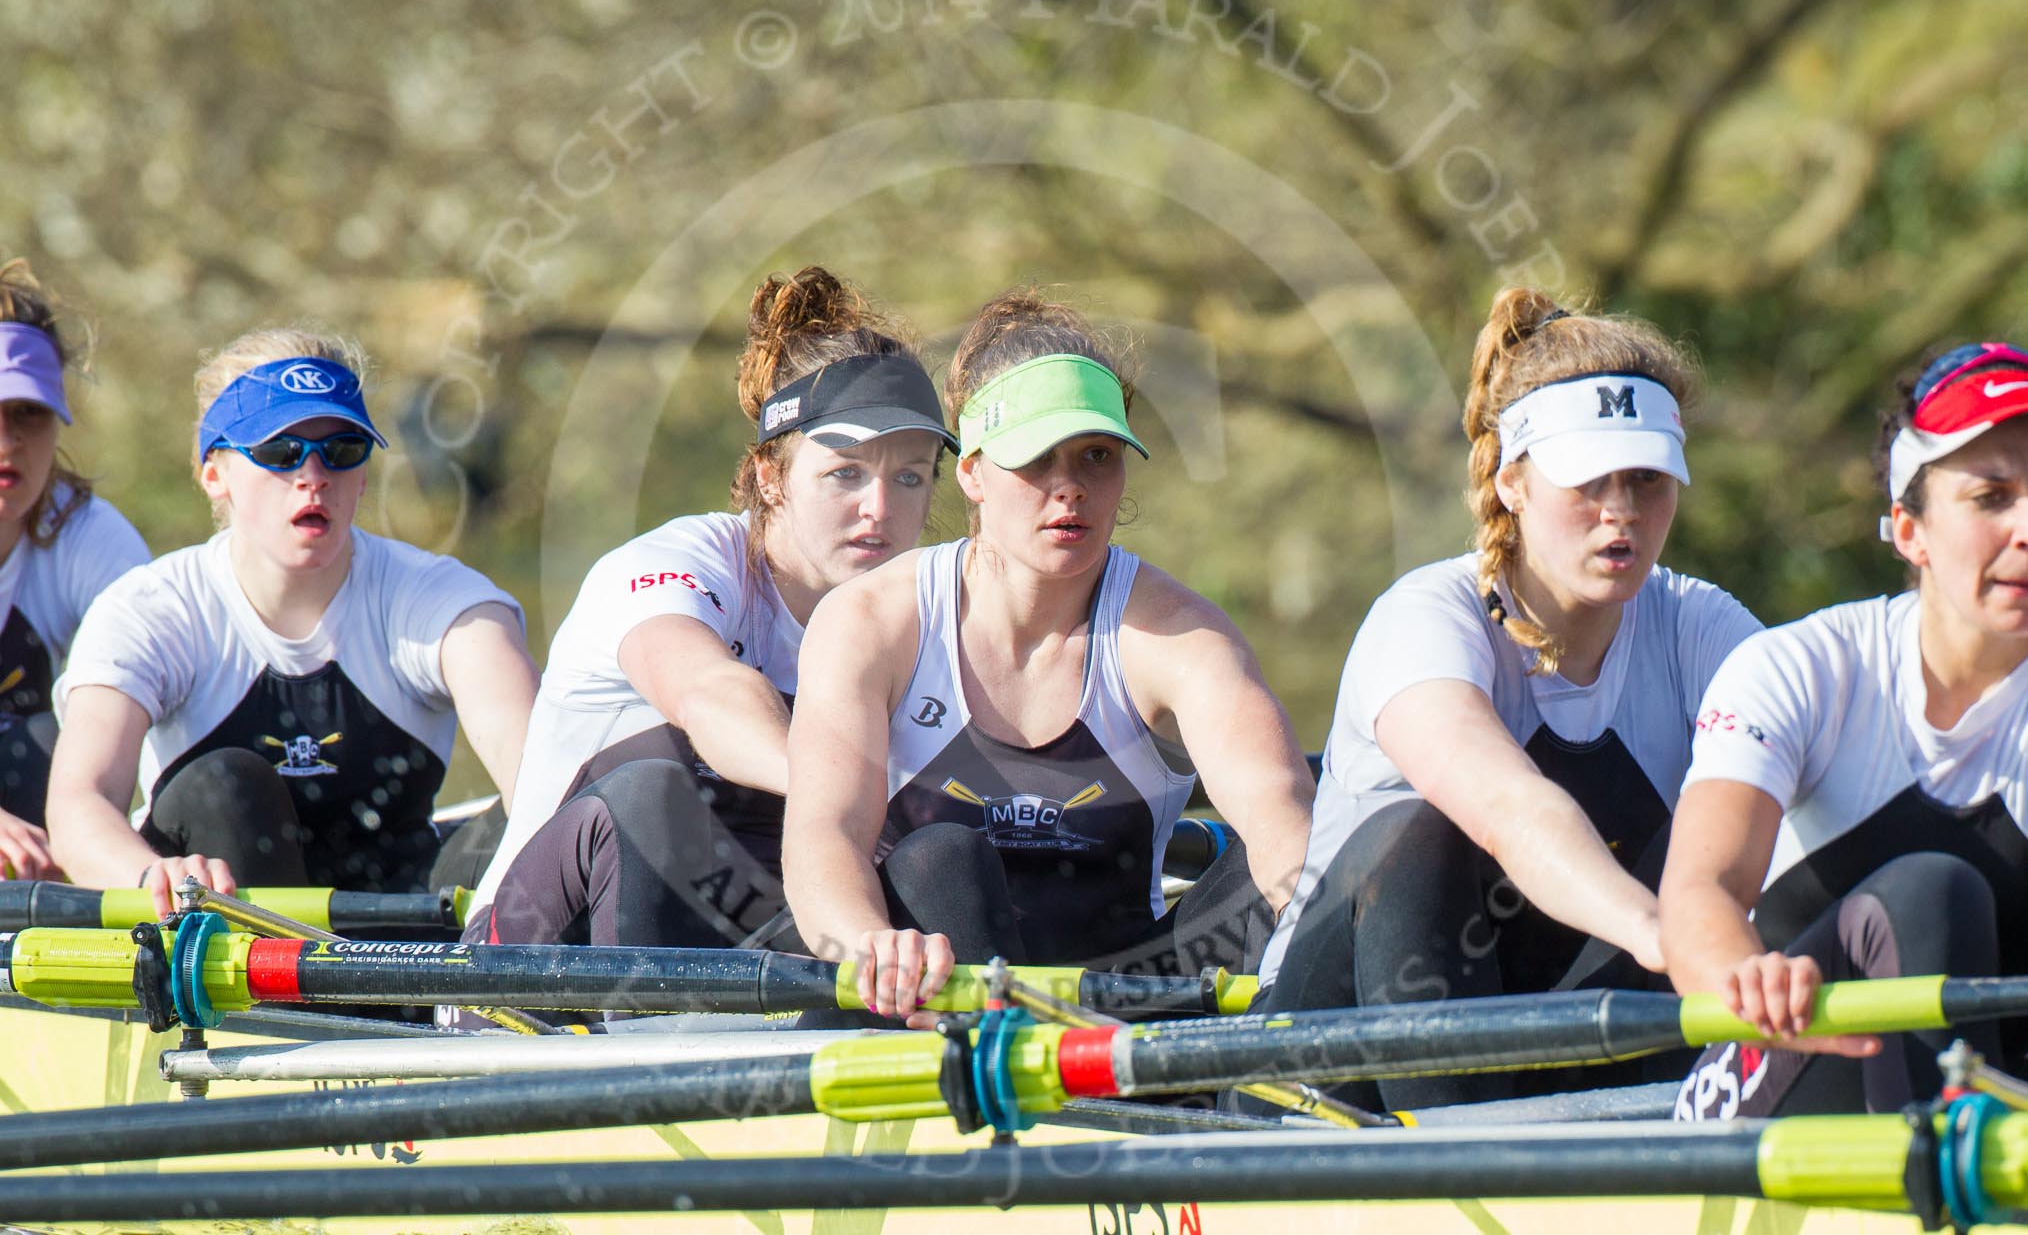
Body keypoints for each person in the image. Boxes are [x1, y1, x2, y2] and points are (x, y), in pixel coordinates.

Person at [1251, 287, 1762, 1110]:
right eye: (1589, 481)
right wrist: (1665, 933)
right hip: (1323, 1070)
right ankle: (1466, 1162)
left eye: (1647, 479)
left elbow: (1827, 784)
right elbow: (1511, 812)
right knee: (1416, 839)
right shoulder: (1423, 621)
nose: (1621, 512)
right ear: (1512, 481)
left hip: (1556, 1053)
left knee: (1727, 835)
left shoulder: (1700, 625)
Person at [785, 288, 1315, 1025]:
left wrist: (1317, 912)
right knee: (939, 857)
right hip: (933, 1005)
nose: (1070, 488)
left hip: (1124, 1012)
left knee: (1291, 872)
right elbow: (826, 836)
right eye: (1036, 460)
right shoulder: (872, 621)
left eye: (1097, 456)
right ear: (970, 471)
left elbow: (1279, 812)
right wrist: (869, 944)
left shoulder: (1180, 635)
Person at [468, 266, 952, 952]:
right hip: (529, 957)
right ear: (771, 478)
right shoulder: (678, 563)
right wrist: (840, 797)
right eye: (845, 473)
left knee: (943, 848)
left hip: (745, 947)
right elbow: (708, 692)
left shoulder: (925, 615)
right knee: (653, 786)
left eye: (909, 476)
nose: (880, 508)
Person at [46, 328, 538, 915]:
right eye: (279, 452)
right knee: (225, 782)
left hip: (399, 925)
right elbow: (78, 806)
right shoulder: (151, 610)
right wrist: (150, 876)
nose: (314, 475)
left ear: (362, 473)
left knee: (572, 800)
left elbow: (545, 779)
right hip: (227, 939)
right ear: (214, 473)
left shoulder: (444, 602)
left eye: (342, 450)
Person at [1663, 341, 2028, 1120]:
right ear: (1909, 531)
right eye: (1992, 496)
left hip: (1996, 1092)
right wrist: (1746, 977)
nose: (2027, 526)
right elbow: (1702, 892)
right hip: (1790, 1067)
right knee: (1931, 890)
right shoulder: (1800, 668)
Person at [0, 258, 151, 878]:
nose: (8, 442)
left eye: (27, 414)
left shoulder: (90, 537)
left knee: (42, 743)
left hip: (32, 839)